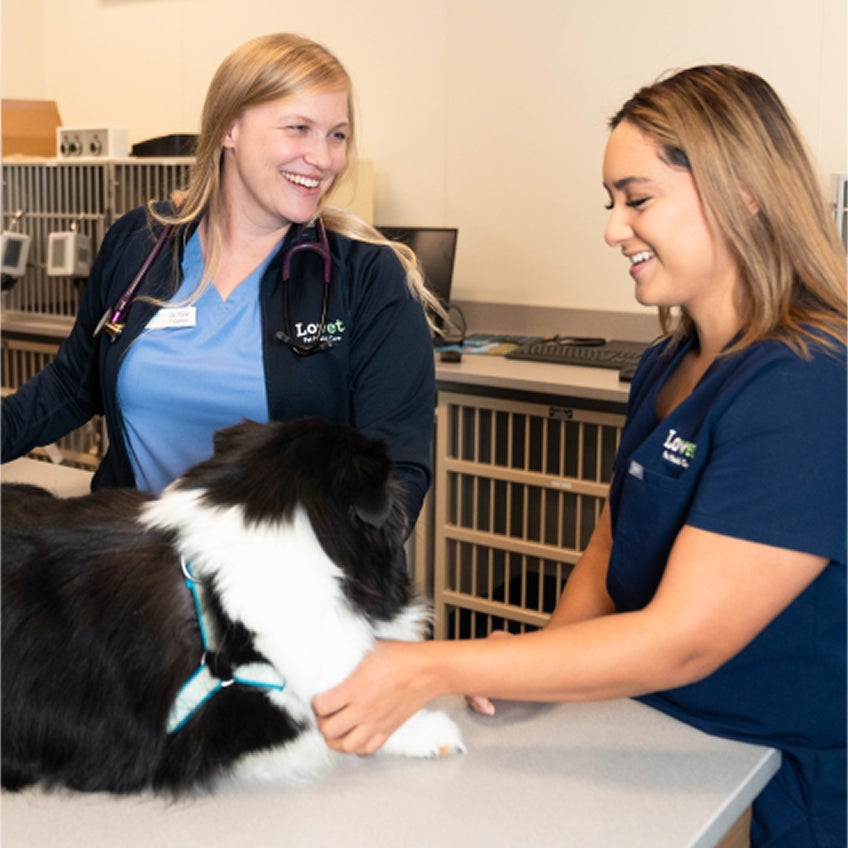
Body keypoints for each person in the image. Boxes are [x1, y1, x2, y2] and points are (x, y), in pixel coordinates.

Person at [312, 65, 847, 847]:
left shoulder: (807, 384)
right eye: (610, 204)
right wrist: (543, 662)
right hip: (650, 735)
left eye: (638, 200)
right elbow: (610, 543)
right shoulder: (670, 362)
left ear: (741, 193)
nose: (613, 229)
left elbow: (684, 638)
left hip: (769, 776)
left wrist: (438, 667)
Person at [1, 33, 442, 528]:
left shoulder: (368, 280)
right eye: (299, 128)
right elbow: (68, 387)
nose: (324, 158)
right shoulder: (142, 244)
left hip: (281, 590)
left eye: (337, 135)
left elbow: (396, 483)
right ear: (230, 128)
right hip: (135, 578)